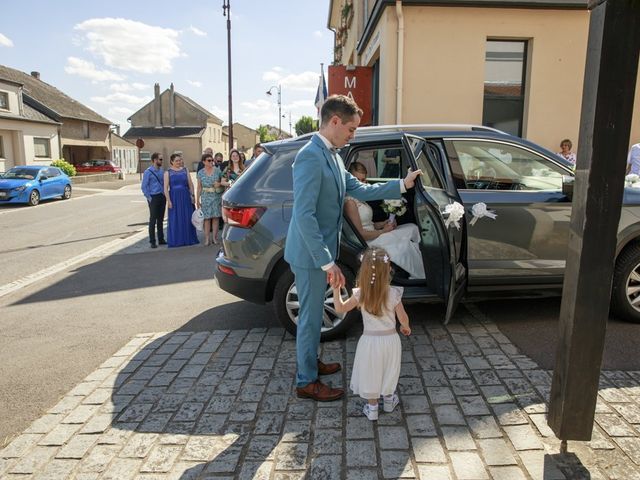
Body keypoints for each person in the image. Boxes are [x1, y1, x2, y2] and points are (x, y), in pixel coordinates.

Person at [284, 94, 422, 402]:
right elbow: (303, 215)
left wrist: (402, 185)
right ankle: (306, 380)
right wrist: (326, 262)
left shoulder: (332, 154)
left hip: (320, 252)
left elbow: (357, 188)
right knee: (309, 318)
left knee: (314, 312)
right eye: (351, 129)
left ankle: (311, 362)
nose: (353, 135)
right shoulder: (309, 156)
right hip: (310, 255)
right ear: (334, 121)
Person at [332, 247, 411, 420]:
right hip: (391, 340)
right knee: (389, 369)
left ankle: (373, 407)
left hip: (369, 341)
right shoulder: (394, 293)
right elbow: (403, 317)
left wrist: (336, 289)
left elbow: (340, 308)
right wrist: (405, 327)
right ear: (388, 270)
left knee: (371, 371)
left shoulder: (361, 294)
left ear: (364, 271)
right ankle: (389, 400)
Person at [344, 162, 425, 279]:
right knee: (403, 245)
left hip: (375, 234)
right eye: (357, 180)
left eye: (364, 180)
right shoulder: (350, 203)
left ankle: (425, 262)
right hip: (369, 242)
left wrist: (383, 224)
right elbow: (360, 234)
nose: (361, 184)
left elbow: (369, 224)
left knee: (412, 228)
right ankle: (421, 275)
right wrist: (383, 231)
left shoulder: (360, 198)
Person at [164, 153, 199, 247]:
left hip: (185, 196)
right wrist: (169, 201)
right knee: (176, 219)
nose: (179, 162)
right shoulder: (168, 172)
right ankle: (177, 240)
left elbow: (190, 184)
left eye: (180, 160)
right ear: (172, 162)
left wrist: (192, 195)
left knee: (187, 217)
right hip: (174, 197)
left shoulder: (185, 170)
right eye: (177, 161)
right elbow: (165, 188)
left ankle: (188, 239)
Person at [196, 153, 223, 245]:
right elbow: (199, 187)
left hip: (216, 196)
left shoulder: (217, 171)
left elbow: (223, 182)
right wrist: (197, 200)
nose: (211, 162)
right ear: (204, 162)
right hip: (205, 196)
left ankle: (215, 238)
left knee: (215, 218)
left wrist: (219, 184)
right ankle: (207, 239)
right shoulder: (200, 172)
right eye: (209, 160)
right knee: (206, 219)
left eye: (212, 160)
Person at [141, 152, 166, 248]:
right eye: (160, 159)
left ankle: (161, 239)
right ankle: (152, 241)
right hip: (153, 197)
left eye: (162, 159)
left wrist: (164, 193)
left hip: (161, 196)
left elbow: (164, 182)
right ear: (155, 160)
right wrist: (149, 198)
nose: (161, 161)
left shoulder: (161, 170)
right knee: (153, 220)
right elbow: (144, 187)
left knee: (161, 219)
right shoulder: (148, 172)